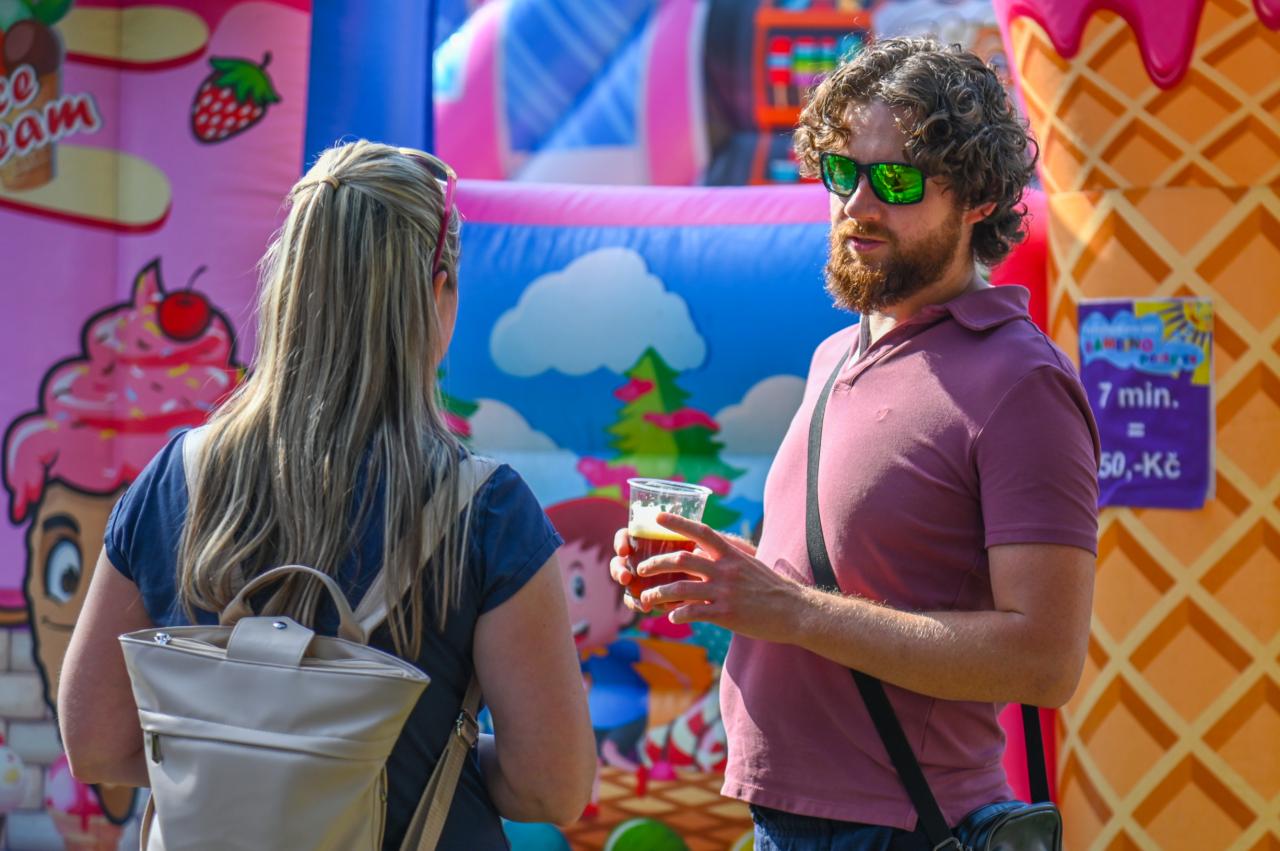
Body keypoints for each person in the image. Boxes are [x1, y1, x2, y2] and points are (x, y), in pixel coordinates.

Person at [611, 38, 1099, 850]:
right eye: (843, 171)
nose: (857, 203)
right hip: (784, 817)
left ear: (979, 199)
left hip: (905, 826)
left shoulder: (1023, 382)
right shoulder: (835, 353)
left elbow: (1045, 660)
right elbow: (839, 583)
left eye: (897, 180)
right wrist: (723, 575)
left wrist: (792, 611)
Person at [56, 140, 597, 849]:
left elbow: (95, 742)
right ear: (436, 293)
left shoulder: (176, 478)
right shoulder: (485, 511)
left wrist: (250, 762)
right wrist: (401, 758)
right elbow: (551, 786)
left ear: (289, 284)